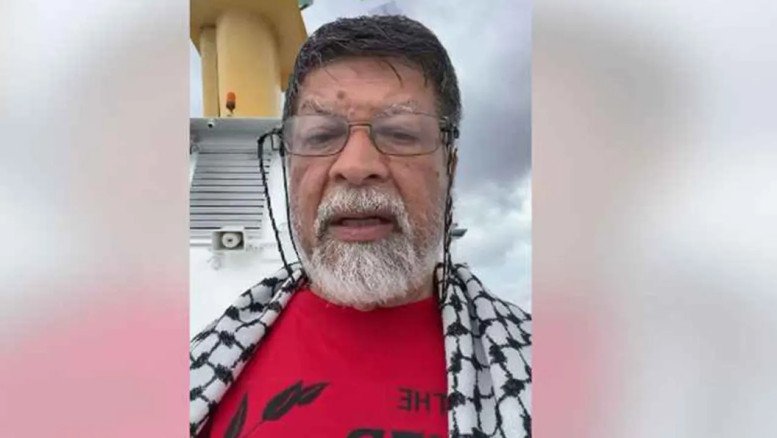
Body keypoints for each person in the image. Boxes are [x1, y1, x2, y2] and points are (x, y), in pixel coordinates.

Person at [190, 15, 531, 438]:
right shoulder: (195, 366)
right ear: (290, 166)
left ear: (451, 168)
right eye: (320, 136)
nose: (355, 166)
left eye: (401, 133)